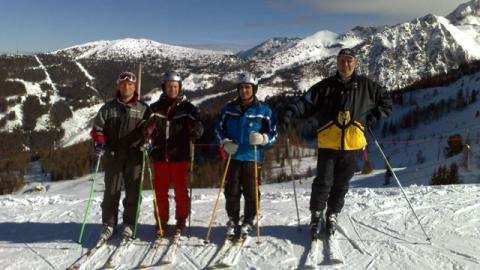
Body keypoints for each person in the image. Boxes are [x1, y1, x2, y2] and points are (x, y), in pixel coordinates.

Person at [281, 48, 392, 239]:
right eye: (342, 60)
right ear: (337, 63)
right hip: (328, 143)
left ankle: (332, 213)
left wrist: (373, 118)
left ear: (355, 63)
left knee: (341, 183)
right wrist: (291, 112)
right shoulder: (324, 86)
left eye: (349, 60)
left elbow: (387, 101)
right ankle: (317, 215)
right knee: (323, 181)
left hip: (353, 144)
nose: (345, 64)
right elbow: (305, 103)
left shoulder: (367, 87)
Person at [215, 72, 278, 240]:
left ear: (254, 89)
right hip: (233, 156)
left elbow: (274, 133)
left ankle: (248, 220)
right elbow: (218, 129)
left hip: (252, 156)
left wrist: (264, 138)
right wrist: (224, 143)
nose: (244, 91)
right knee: (231, 191)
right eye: (241, 87)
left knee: (251, 191)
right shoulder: (228, 109)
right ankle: (233, 219)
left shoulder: (263, 110)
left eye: (248, 87)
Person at [90, 71, 150, 242]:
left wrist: (149, 141)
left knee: (133, 192)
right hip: (114, 155)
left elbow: (151, 129)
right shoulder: (108, 109)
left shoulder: (143, 108)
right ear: (118, 85)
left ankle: (129, 224)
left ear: (134, 86)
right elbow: (97, 129)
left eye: (130, 84)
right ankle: (109, 224)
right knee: (111, 191)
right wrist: (99, 142)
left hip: (135, 155)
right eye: (123, 84)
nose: (126, 86)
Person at [147, 71, 203, 237]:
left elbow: (198, 124)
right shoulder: (155, 108)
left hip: (180, 156)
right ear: (164, 87)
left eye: (175, 86)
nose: (172, 89)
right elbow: (148, 127)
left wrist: (196, 130)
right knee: (160, 192)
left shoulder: (187, 108)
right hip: (160, 156)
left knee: (180, 191)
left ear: (180, 88)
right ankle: (161, 220)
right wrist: (146, 133)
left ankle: (181, 219)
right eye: (169, 86)